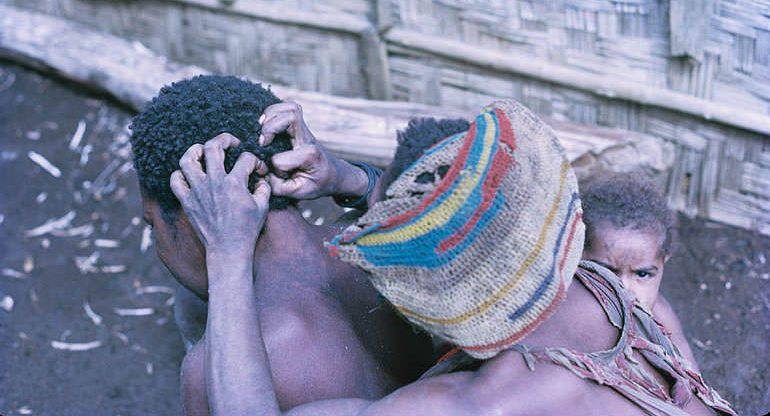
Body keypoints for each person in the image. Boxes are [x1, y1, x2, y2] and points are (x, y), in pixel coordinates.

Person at [172, 98, 736, 416]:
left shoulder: (465, 407)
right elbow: (473, 223)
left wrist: (226, 254)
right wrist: (345, 177)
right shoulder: (615, 291)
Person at [129, 75, 436, 414]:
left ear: (196, 212)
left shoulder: (210, 372)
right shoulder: (390, 238)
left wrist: (225, 253)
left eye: (151, 222)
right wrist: (346, 175)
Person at [580, 172, 700, 370]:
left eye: (642, 274)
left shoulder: (661, 320)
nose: (624, 289)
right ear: (579, 256)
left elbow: (692, 375)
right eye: (605, 271)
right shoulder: (565, 301)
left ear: (663, 263)